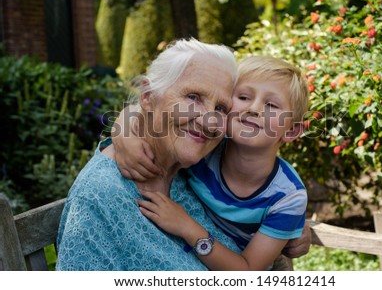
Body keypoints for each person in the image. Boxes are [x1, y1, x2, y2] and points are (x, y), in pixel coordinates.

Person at [56, 38, 243, 270]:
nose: (209, 121)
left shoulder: (202, 167)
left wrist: (290, 230)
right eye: (193, 97)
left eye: (221, 108)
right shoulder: (99, 195)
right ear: (147, 97)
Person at [114, 56, 310, 270]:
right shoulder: (204, 147)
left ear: (291, 130)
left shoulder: (288, 197)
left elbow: (247, 271)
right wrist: (123, 134)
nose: (254, 108)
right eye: (243, 97)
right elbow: (146, 111)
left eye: (271, 105)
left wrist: (186, 226)